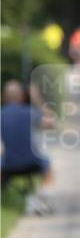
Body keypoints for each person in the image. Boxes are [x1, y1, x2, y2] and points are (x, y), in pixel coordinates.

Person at [1, 80, 54, 213]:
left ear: (4, 97)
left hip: (8, 164)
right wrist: (36, 98)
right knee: (47, 164)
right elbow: (50, 123)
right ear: (21, 96)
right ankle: (42, 198)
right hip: (33, 162)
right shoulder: (30, 112)